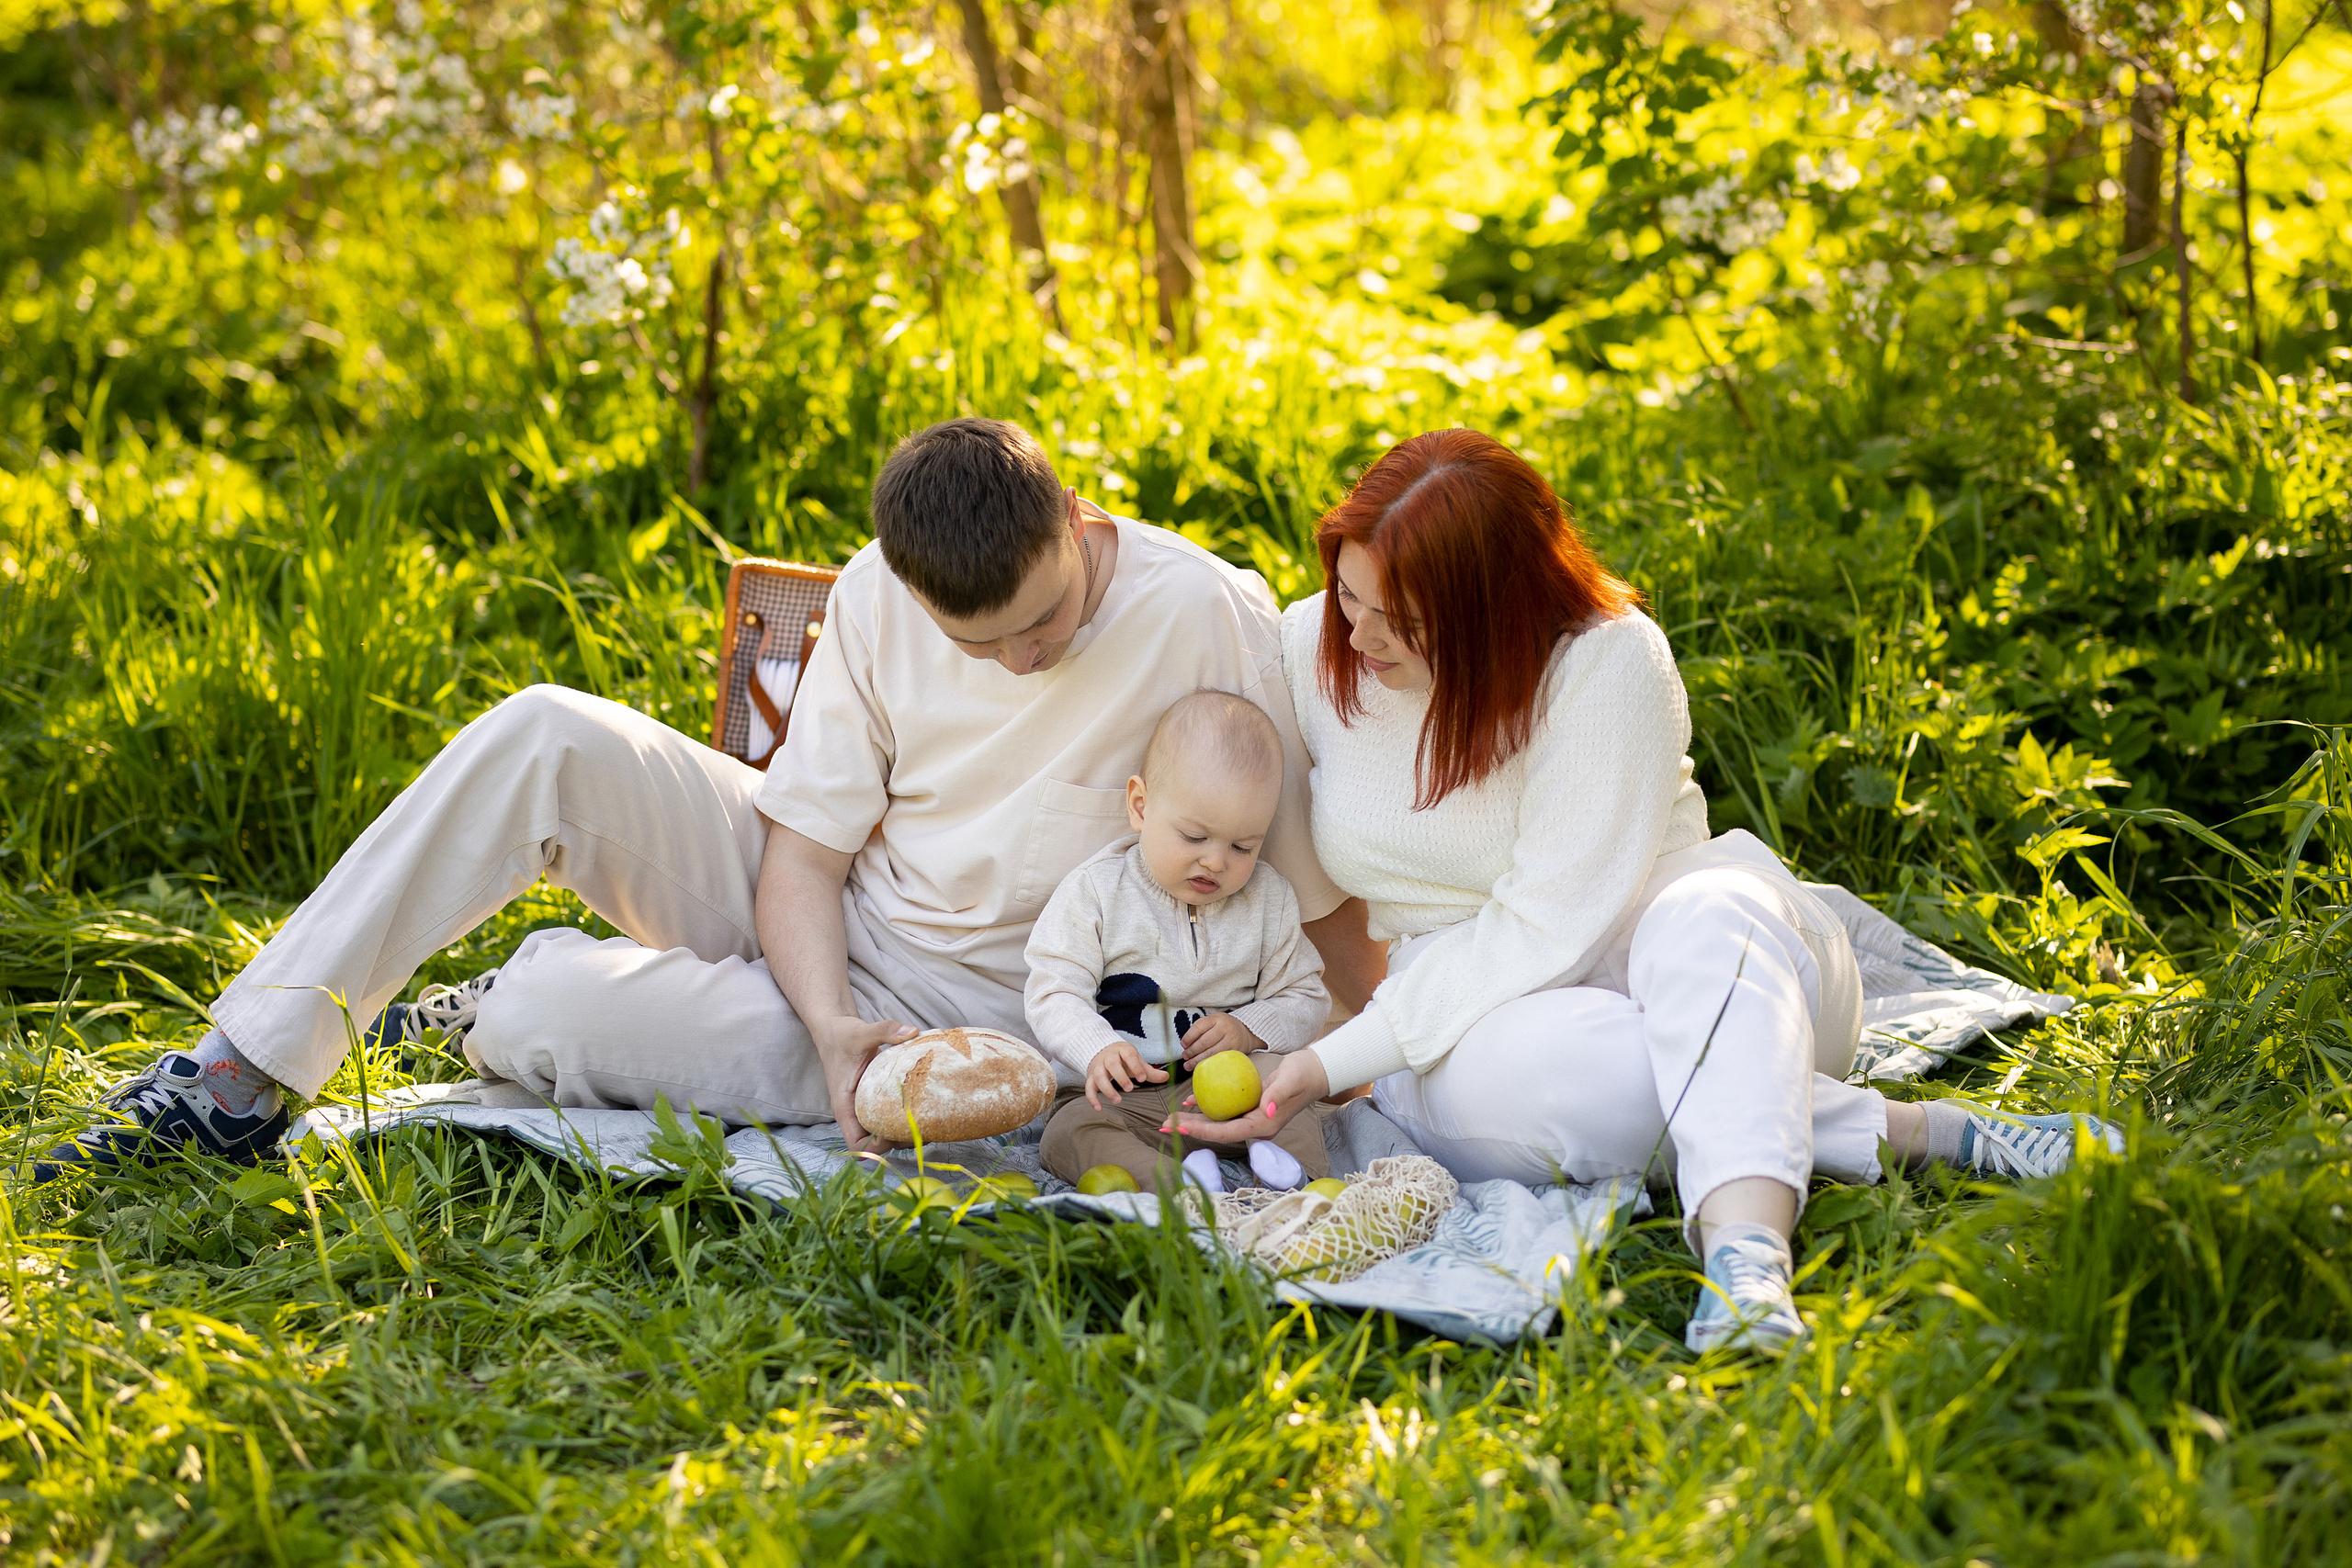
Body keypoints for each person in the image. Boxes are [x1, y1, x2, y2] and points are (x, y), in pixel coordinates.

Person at [40, 418, 1378, 1179]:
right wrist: (830, 1017)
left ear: (1080, 527)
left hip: (994, 1013)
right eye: (984, 646)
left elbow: (1299, 878)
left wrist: (1344, 1069)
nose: (1021, 659)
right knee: (545, 730)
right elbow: (798, 859)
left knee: (550, 1012)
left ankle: (522, 994)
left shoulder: (1203, 611)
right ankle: (240, 1072)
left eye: (1041, 622)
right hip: (831, 926)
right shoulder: (871, 593)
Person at [1168, 429, 2123, 1354]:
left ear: (1495, 614)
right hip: (1474, 1010)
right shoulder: (1312, 647)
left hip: (1706, 948)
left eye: (1404, 622)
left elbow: (1549, 918)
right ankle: (1913, 1133)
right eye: (1348, 597)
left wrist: (1332, 1060)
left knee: (1708, 923)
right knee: (1594, 1086)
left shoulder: (1604, 658)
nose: (1361, 634)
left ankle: (1746, 1261)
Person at [1026, 690, 1331, 1195]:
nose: (1215, 861)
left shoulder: (1268, 899)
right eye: (1194, 837)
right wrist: (1095, 1047)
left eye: (1242, 846)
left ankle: (1295, 1185)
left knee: (1288, 1090)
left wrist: (1248, 1029)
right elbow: (1051, 989)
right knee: (1067, 1130)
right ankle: (1175, 1186)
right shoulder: (1098, 891)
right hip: (1129, 1100)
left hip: (1234, 1096)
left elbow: (1306, 996)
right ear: (1140, 807)